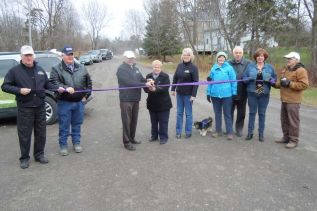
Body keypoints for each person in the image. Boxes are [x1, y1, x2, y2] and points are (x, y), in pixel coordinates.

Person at [1, 45, 64, 169]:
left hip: (40, 106)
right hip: (25, 108)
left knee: (41, 133)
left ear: (33, 56)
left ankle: (39, 155)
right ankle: (24, 158)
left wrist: (58, 88)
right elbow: (5, 86)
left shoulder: (40, 70)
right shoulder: (14, 71)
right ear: (22, 57)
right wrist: (19, 90)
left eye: (30, 55)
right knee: (24, 134)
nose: (29, 58)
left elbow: (47, 84)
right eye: (26, 55)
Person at [50, 45, 92, 156]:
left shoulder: (81, 67)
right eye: (67, 54)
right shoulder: (56, 69)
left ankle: (76, 143)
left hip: (79, 103)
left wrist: (85, 97)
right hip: (64, 103)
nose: (70, 56)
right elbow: (54, 83)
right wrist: (64, 88)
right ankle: (63, 145)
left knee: (77, 124)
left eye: (71, 54)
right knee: (64, 125)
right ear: (62, 55)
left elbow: (89, 83)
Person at [116, 51, 154, 151]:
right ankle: (127, 142)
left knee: (134, 120)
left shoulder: (136, 68)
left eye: (132, 58)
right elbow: (129, 83)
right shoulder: (121, 69)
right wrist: (144, 84)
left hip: (135, 98)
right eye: (129, 58)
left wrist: (148, 81)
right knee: (127, 121)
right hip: (126, 99)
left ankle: (132, 138)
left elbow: (141, 79)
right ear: (125, 58)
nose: (131, 59)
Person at [274, 52, 309, 148]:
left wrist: (290, 84)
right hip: (284, 99)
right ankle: (286, 137)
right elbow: (282, 83)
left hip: (293, 100)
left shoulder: (301, 70)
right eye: (287, 58)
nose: (288, 60)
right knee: (284, 119)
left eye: (290, 58)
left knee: (293, 121)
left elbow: (304, 85)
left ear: (297, 60)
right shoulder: (286, 69)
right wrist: (273, 83)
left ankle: (293, 140)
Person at [243, 48, 276, 142]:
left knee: (262, 114)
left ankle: (261, 134)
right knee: (252, 113)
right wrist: (249, 78)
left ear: (265, 57)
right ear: (255, 57)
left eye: (262, 56)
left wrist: (271, 80)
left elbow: (274, 81)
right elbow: (244, 79)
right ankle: (250, 133)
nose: (260, 58)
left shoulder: (270, 67)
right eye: (258, 56)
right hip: (252, 92)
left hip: (263, 93)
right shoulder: (250, 66)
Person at [206, 51, 237, 140]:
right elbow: (210, 82)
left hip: (227, 95)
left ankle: (229, 132)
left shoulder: (229, 68)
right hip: (215, 95)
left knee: (227, 113)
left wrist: (234, 93)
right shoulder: (213, 68)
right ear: (217, 58)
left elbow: (233, 81)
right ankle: (218, 131)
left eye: (223, 57)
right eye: (220, 57)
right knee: (217, 113)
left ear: (225, 59)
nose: (221, 59)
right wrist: (208, 93)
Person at [171, 48, 199, 139]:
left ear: (191, 56)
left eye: (188, 55)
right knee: (179, 113)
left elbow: (196, 82)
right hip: (179, 93)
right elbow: (175, 78)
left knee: (188, 114)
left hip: (188, 95)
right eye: (184, 55)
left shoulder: (193, 68)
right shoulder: (179, 66)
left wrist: (193, 95)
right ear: (182, 56)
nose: (186, 56)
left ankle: (188, 131)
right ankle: (178, 131)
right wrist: (173, 89)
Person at [144, 60, 172, 145]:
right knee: (154, 121)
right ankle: (154, 136)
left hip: (164, 103)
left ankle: (163, 137)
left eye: (158, 67)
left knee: (163, 121)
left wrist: (155, 89)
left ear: (161, 67)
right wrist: (148, 87)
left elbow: (165, 88)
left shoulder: (165, 76)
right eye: (155, 67)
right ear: (152, 67)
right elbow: (145, 89)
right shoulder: (148, 76)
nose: (156, 68)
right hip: (152, 103)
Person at [228, 46, 251, 137]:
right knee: (229, 111)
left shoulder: (248, 63)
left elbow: (253, 73)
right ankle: (229, 128)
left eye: (239, 53)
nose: (238, 54)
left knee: (241, 112)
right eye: (236, 53)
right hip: (230, 92)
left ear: (242, 53)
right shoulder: (228, 63)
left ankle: (239, 129)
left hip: (243, 92)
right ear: (233, 54)